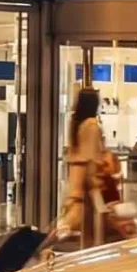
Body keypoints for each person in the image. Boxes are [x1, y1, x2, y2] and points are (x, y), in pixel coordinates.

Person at [58, 86, 107, 250]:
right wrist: (97, 180)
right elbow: (92, 155)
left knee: (79, 222)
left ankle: (84, 250)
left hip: (76, 177)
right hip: (89, 180)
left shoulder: (76, 123)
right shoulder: (92, 125)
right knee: (88, 223)